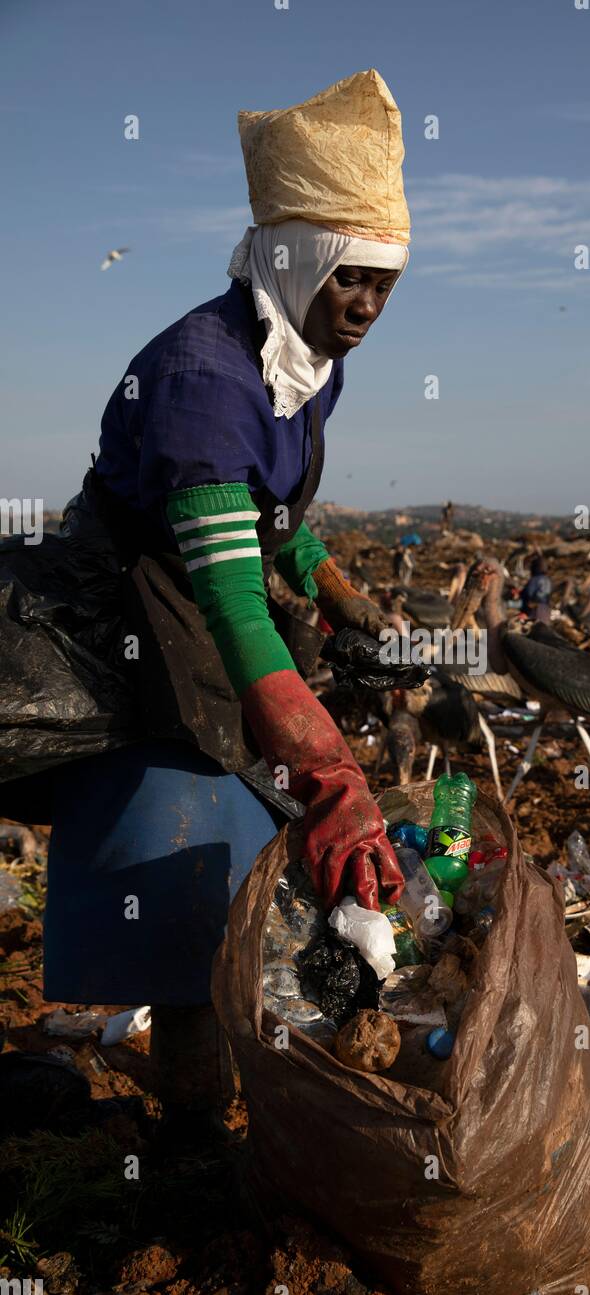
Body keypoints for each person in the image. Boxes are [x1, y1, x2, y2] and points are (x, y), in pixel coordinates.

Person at [30, 71, 413, 1146]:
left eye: (386, 285)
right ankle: (188, 1138)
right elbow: (235, 600)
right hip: (132, 634)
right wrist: (332, 773)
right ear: (295, 259)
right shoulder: (202, 377)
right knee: (181, 884)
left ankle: (223, 1100)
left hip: (200, 627)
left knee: (242, 871)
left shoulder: (304, 357)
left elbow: (274, 513)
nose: (368, 307)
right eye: (353, 280)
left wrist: (338, 591)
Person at [520, 555, 552, 624]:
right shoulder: (543, 580)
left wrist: (532, 600)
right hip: (539, 610)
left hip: (537, 610)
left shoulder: (540, 580)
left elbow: (532, 593)